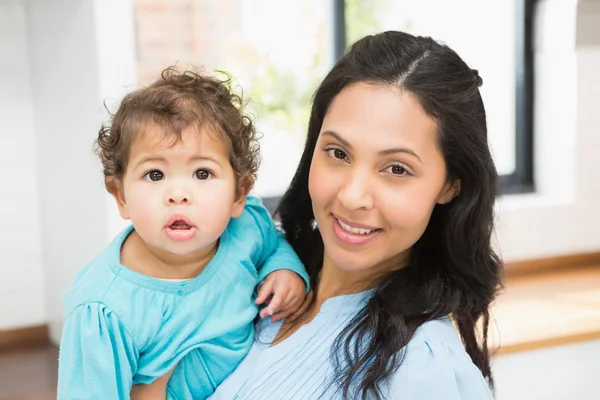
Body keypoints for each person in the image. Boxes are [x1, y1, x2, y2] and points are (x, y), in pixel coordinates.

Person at [135, 30, 502, 399]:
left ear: (449, 185)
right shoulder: (251, 265)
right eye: (338, 153)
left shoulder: (419, 366)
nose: (353, 196)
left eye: (396, 169)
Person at [56, 67, 310, 399]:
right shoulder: (104, 312)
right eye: (155, 174)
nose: (178, 194)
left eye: (202, 173)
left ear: (239, 192)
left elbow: (273, 245)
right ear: (120, 195)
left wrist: (285, 269)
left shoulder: (246, 228)